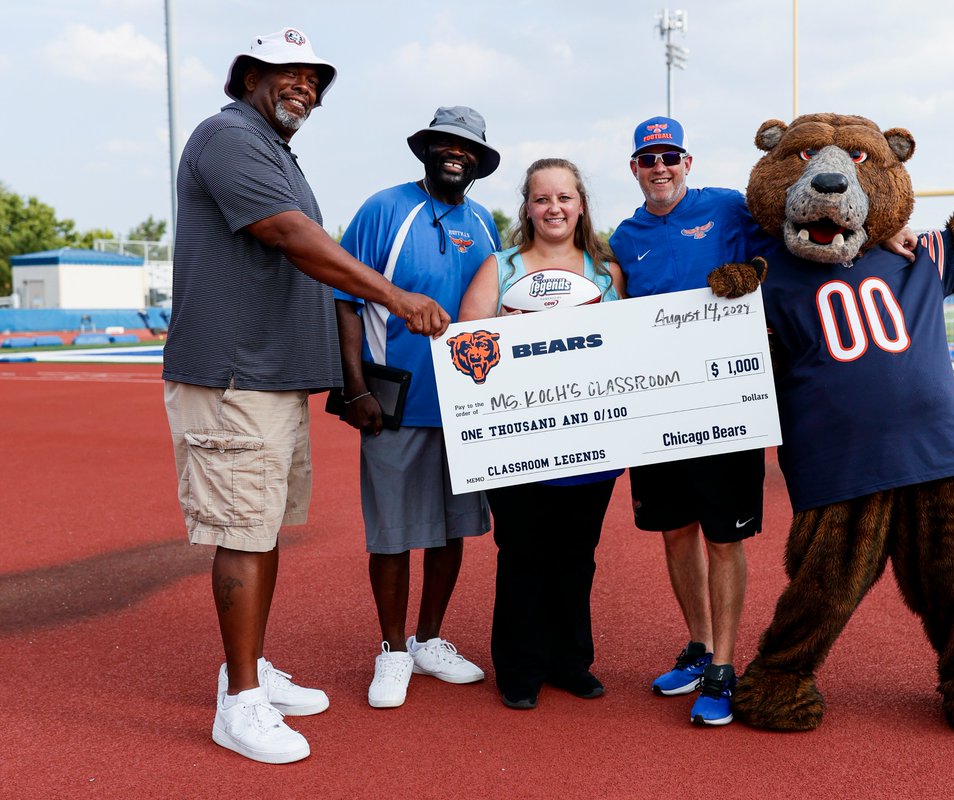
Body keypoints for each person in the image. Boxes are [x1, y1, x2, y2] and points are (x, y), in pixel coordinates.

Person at [163, 28, 450, 764]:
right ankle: (241, 705)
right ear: (250, 75)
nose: (306, 89)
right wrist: (394, 295)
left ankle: (247, 670)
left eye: (315, 80)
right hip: (234, 375)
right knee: (244, 533)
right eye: (289, 74)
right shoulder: (228, 137)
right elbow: (290, 234)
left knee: (261, 528)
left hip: (272, 377)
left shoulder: (275, 151)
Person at [609, 116, 916, 726]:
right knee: (676, 532)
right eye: (649, 160)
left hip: (725, 403)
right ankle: (698, 648)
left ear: (687, 162)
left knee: (723, 538)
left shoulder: (726, 207)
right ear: (635, 169)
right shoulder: (624, 237)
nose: (660, 167)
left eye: (671, 155)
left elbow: (803, 227)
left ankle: (724, 667)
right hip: (656, 409)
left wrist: (883, 231)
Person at [334, 106, 500, 711]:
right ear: (427, 149)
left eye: (468, 149)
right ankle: (392, 649)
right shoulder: (385, 209)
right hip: (395, 402)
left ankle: (428, 640)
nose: (456, 155)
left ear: (479, 162)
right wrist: (355, 390)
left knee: (452, 530)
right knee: (392, 535)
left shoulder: (484, 223)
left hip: (466, 408)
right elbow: (345, 300)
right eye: (446, 145)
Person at [458, 158, 625, 710]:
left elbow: (627, 349)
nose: (554, 208)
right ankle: (520, 667)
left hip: (589, 439)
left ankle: (570, 661)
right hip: (517, 436)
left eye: (564, 198)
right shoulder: (499, 267)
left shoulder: (606, 272)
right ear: (526, 207)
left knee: (578, 554)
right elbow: (466, 347)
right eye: (541, 198)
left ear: (581, 205)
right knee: (522, 551)